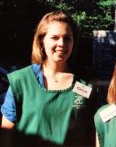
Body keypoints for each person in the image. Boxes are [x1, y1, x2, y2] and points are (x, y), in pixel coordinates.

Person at [1, 11, 100, 146]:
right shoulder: (21, 82)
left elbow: (97, 131)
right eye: (54, 37)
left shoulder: (87, 83)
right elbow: (6, 131)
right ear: (41, 41)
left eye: (67, 38)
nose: (62, 43)